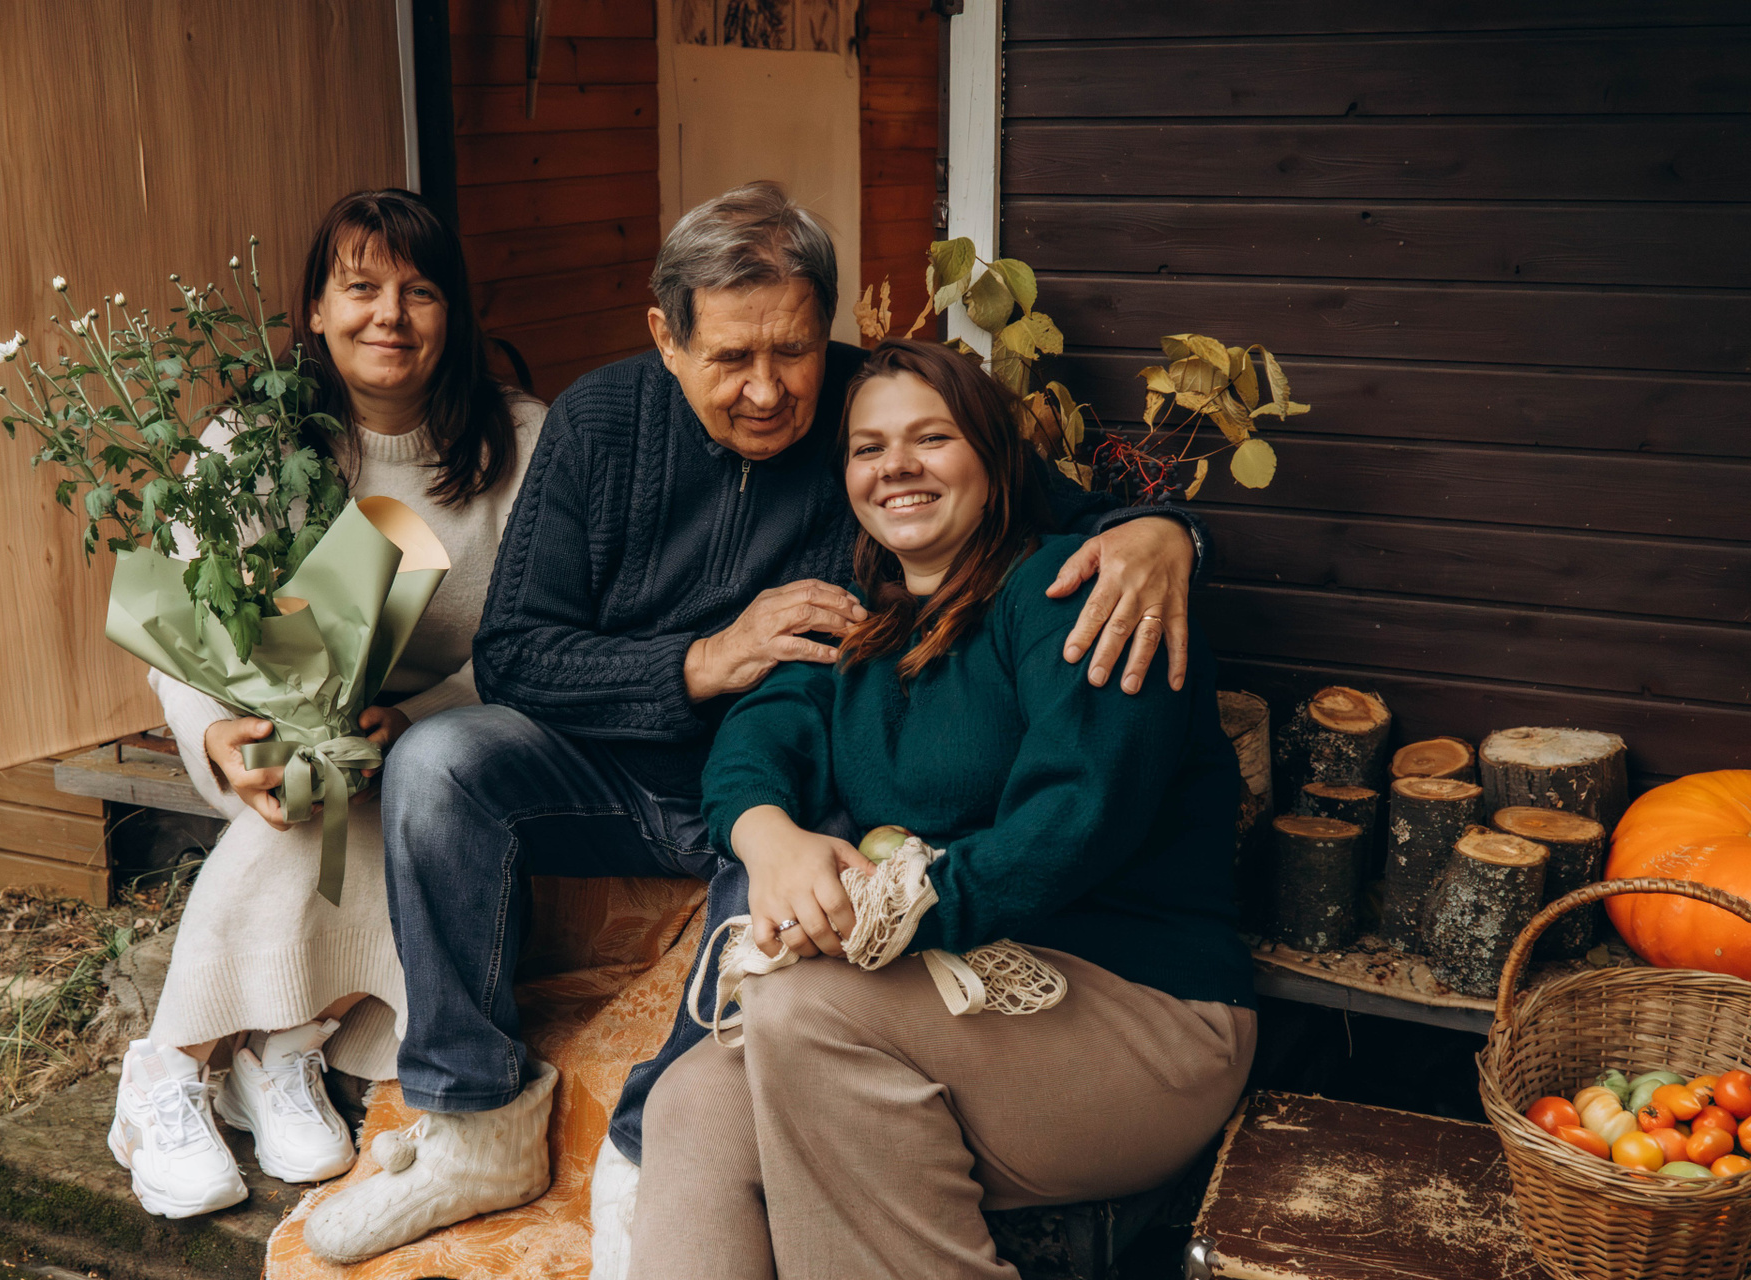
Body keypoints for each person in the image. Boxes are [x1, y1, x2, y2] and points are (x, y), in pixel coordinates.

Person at [300, 181, 1212, 1263]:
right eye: (731, 358)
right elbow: (514, 654)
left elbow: (1041, 501)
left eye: (794, 349)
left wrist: (1167, 533)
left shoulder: (873, 416)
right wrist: (699, 661)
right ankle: (473, 1119)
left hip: (791, 783)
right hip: (605, 772)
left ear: (827, 327)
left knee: (794, 852)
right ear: (666, 338)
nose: (769, 389)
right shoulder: (598, 421)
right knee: (440, 760)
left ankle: (644, 1153)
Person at [629, 338, 1257, 1280]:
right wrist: (772, 841)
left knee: (801, 1009)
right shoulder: (862, 616)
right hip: (955, 993)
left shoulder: (1074, 592)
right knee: (692, 1101)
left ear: (995, 460)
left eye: (931, 438)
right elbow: (754, 741)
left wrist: (885, 912)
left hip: (1143, 1014)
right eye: (869, 448)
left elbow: (1075, 821)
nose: (896, 468)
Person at [107, 189, 545, 1220]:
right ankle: (178, 1073)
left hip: (458, 731)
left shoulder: (523, 443)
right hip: (276, 742)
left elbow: (543, 634)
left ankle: (258, 1047)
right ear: (315, 309)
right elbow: (185, 625)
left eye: (420, 290)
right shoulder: (253, 442)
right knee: (319, 785)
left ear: (454, 311)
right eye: (361, 287)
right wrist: (218, 737)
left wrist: (428, 712)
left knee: (418, 783)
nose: (389, 314)